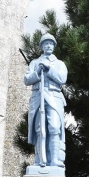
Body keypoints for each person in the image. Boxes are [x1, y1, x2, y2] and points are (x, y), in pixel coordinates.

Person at [24, 33, 67, 169]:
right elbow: (27, 80)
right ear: (42, 46)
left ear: (54, 46)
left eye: (51, 43)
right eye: (46, 43)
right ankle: (39, 160)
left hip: (54, 97)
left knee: (54, 127)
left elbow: (62, 79)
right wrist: (37, 71)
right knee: (39, 129)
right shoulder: (35, 63)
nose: (48, 46)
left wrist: (49, 70)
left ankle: (54, 160)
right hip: (38, 97)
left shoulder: (59, 64)